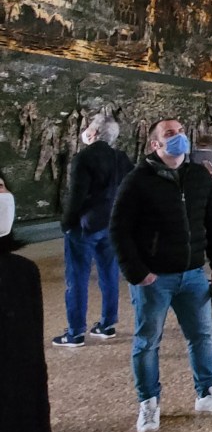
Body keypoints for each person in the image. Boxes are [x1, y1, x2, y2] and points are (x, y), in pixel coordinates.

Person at [110, 118, 212, 432]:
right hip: (154, 278)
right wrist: (137, 272)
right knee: (147, 342)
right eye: (170, 134)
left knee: (201, 336)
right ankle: (149, 403)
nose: (179, 137)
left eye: (180, 132)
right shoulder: (138, 180)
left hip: (193, 274)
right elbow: (119, 230)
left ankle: (207, 393)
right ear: (155, 144)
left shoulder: (198, 176)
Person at [53, 113, 134, 347]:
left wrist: (67, 223)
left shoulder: (84, 158)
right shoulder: (121, 158)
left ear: (95, 132)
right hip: (111, 223)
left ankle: (75, 332)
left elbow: (76, 195)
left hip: (85, 226)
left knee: (77, 276)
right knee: (109, 273)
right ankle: (107, 324)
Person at [0, 171, 54, 432]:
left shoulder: (23, 272)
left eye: (1, 187)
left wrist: (39, 427)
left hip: (19, 413)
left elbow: (32, 358)